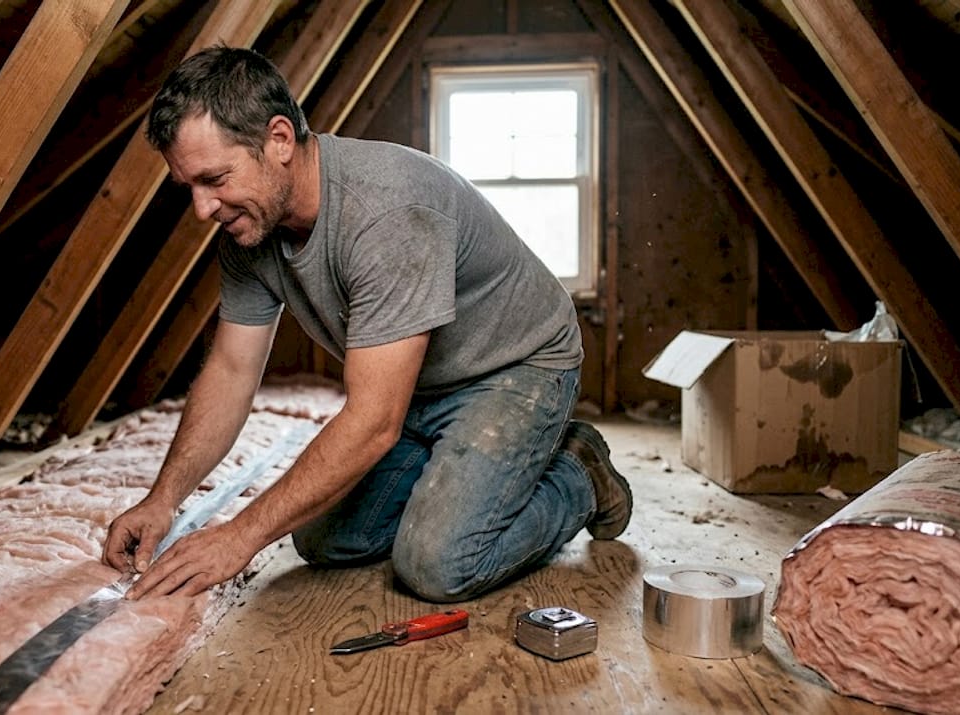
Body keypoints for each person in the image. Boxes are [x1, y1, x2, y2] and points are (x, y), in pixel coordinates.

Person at [105, 46, 632, 603]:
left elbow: (375, 421)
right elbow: (232, 370)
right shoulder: (248, 229)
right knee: (322, 538)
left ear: (279, 139)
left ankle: (578, 471)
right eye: (189, 187)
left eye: (214, 179)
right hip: (420, 381)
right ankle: (450, 476)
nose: (202, 208)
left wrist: (238, 537)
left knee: (436, 564)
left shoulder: (387, 212)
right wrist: (163, 499)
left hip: (515, 369)